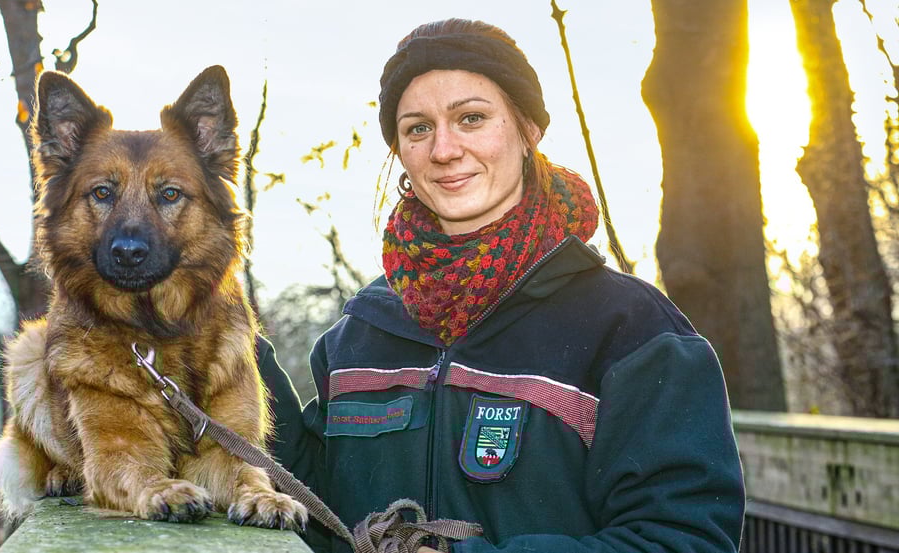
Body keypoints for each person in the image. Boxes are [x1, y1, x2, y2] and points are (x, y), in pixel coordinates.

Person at [266, 18, 745, 553]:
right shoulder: (360, 334)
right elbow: (310, 505)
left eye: (471, 118)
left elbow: (684, 540)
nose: (444, 149)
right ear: (400, 151)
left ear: (528, 131)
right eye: (417, 128)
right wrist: (229, 344)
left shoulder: (630, 329)